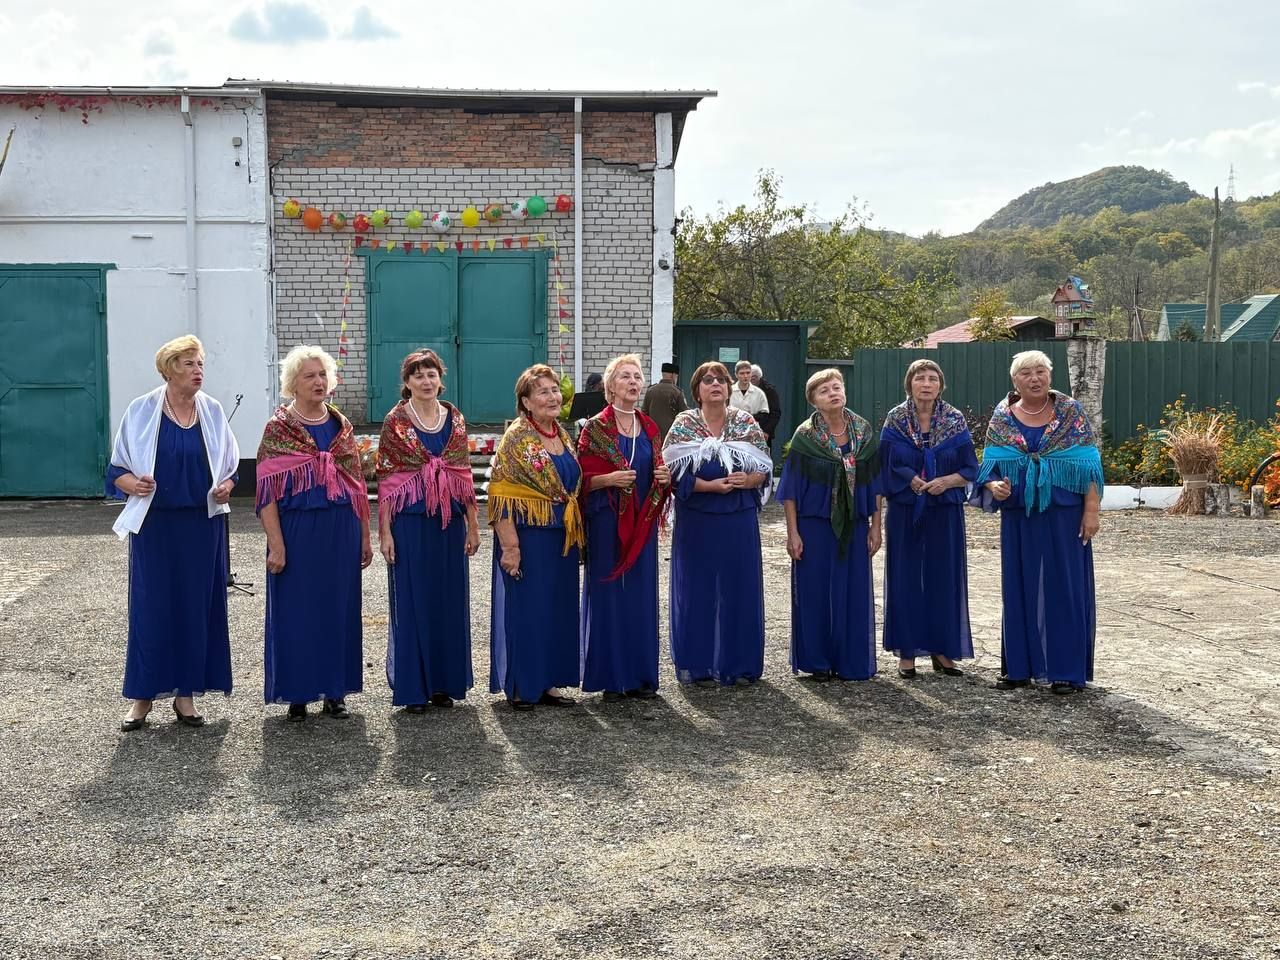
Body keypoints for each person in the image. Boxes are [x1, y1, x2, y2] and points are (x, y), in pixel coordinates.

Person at [107, 335, 239, 731]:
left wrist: (226, 486)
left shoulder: (212, 411)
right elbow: (116, 471)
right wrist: (133, 485)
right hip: (156, 527)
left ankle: (186, 695)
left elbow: (231, 468)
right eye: (188, 364)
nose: (198, 371)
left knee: (196, 609)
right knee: (152, 610)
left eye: (200, 364)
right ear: (168, 370)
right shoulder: (141, 410)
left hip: (202, 526)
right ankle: (142, 697)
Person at [974, 350, 1103, 694]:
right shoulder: (1002, 417)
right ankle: (1018, 668)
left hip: (1065, 513)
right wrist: (994, 486)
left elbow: (1089, 463)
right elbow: (989, 468)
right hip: (1020, 513)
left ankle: (1066, 671)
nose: (1034, 378)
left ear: (1050, 375)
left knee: (1065, 587)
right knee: (1018, 586)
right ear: (1014, 381)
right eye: (1026, 373)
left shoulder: (1071, 412)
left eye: (1040, 371)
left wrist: (1091, 510)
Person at [255, 345, 372, 721]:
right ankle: (298, 692)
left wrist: (365, 536)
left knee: (339, 610)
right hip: (298, 533)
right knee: (297, 612)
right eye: (309, 376)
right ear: (293, 383)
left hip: (341, 529)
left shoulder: (341, 426)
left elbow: (356, 486)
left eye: (323, 375)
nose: (318, 382)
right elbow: (267, 493)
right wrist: (276, 545)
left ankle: (335, 691)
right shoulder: (278, 428)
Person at [376, 349, 480, 713]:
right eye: (418, 375)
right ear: (407, 382)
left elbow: (463, 473)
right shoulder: (395, 421)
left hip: (448, 524)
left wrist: (473, 525)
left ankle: (443, 684)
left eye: (431, 374)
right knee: (413, 602)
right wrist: (385, 533)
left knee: (447, 602)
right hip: (410, 522)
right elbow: (387, 479)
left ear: (440, 379)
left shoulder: (455, 418)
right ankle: (413, 689)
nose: (426, 381)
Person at [663, 361, 772, 686]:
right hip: (697, 521)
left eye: (721, 380)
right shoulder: (684, 423)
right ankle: (698, 666)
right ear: (696, 390)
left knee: (739, 588)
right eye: (707, 380)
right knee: (698, 590)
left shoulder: (745, 422)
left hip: (738, 519)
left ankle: (739, 665)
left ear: (728, 389)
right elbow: (668, 473)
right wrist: (707, 486)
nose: (715, 384)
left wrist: (749, 480)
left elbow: (764, 467)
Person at [488, 364, 585, 710]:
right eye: (543, 392)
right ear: (526, 402)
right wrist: (510, 547)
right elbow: (500, 494)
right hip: (529, 540)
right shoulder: (516, 438)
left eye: (555, 389)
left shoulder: (562, 435)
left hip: (562, 540)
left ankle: (548, 682)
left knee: (557, 611)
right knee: (528, 613)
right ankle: (523, 686)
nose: (553, 396)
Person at [777, 368, 882, 682]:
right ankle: (818, 662)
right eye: (824, 391)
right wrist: (793, 533)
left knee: (854, 592)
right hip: (814, 525)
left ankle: (852, 661)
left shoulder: (864, 432)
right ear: (814, 401)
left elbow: (875, 484)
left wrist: (876, 526)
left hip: (855, 524)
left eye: (837, 387)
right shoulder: (805, 437)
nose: (833, 393)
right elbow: (790, 490)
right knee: (815, 593)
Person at [578, 354, 673, 701]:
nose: (633, 382)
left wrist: (664, 477)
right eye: (625, 376)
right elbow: (580, 480)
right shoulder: (595, 429)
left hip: (642, 524)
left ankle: (640, 677)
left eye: (637, 376)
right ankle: (611, 678)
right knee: (608, 596)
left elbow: (658, 470)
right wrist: (609, 479)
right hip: (606, 522)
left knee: (640, 596)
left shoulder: (649, 427)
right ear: (610, 386)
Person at [879, 359, 977, 679]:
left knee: (943, 577)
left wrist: (946, 481)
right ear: (909, 384)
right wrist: (910, 479)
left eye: (932, 378)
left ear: (940, 386)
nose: (926, 383)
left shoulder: (954, 420)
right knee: (905, 576)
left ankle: (942, 649)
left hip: (945, 508)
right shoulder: (895, 419)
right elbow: (885, 465)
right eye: (920, 378)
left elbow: (969, 468)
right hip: (905, 508)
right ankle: (906, 652)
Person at [641, 361, 687, 442]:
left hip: (652, 436)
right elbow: (685, 414)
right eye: (676, 376)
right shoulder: (677, 392)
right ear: (673, 375)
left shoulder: (650, 390)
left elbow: (644, 413)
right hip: (670, 438)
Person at [750, 363, 782, 447]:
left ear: (759, 377)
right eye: (750, 376)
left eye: (754, 377)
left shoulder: (769, 391)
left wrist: (766, 431)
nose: (751, 379)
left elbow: (775, 413)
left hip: (763, 431)